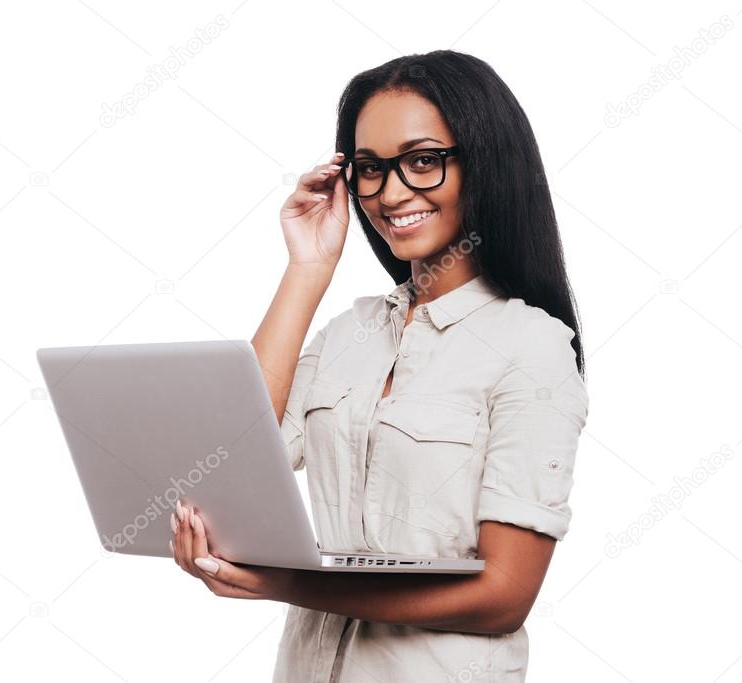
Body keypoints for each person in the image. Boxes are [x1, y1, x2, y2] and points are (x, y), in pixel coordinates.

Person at [170, 49, 589, 682]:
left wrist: (287, 582)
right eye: (369, 168)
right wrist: (307, 269)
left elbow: (503, 597)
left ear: (484, 164)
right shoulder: (348, 334)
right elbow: (219, 466)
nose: (391, 193)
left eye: (423, 161)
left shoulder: (532, 347)